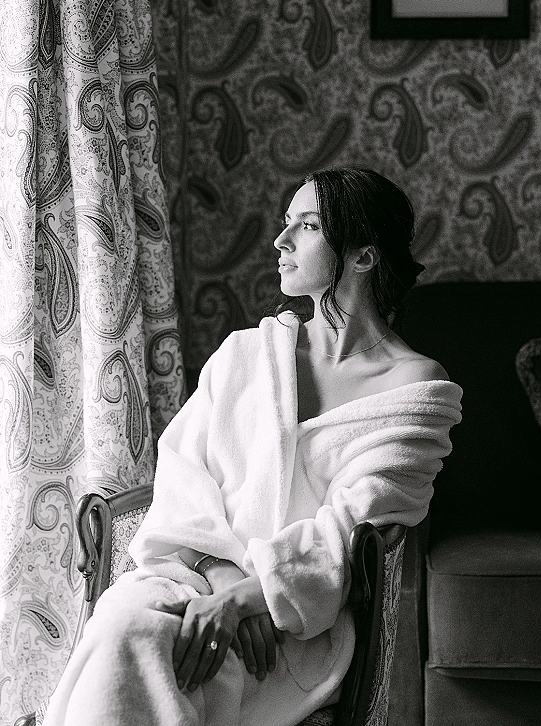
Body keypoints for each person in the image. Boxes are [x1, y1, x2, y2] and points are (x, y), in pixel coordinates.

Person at [43, 167, 462, 726]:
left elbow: (349, 529)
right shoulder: (246, 355)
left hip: (290, 621)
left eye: (307, 226)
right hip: (193, 576)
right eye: (287, 222)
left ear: (363, 256)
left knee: (159, 649)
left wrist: (249, 598)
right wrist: (223, 580)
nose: (280, 241)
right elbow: (184, 474)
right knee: (125, 624)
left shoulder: (415, 391)